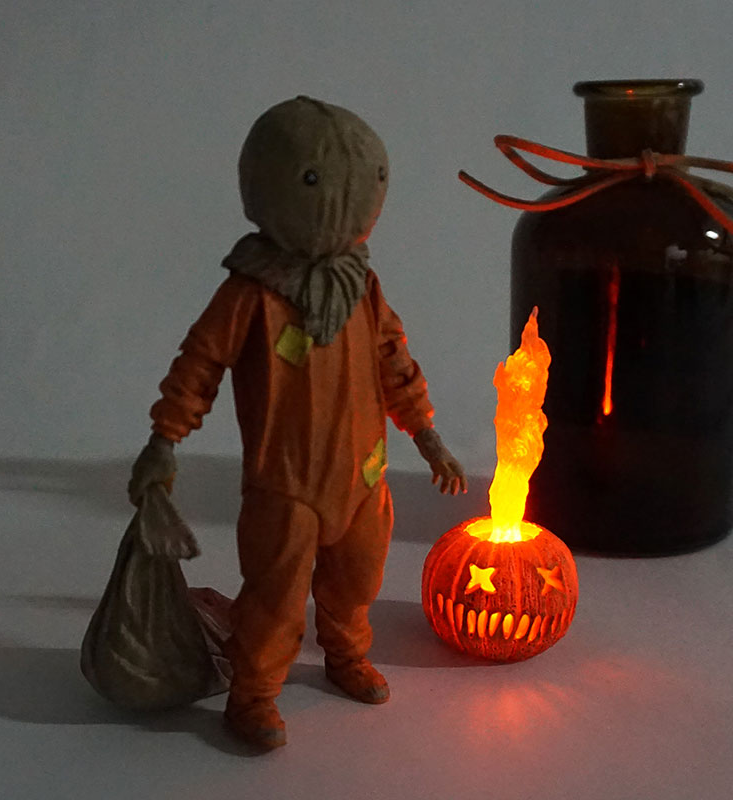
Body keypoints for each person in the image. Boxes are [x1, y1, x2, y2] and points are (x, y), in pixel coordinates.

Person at [128, 96, 467, 749]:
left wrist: (427, 436)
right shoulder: (251, 293)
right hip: (285, 486)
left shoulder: (361, 286)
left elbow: (394, 361)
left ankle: (344, 655)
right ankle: (254, 695)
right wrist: (164, 440)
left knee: (357, 580)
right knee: (276, 598)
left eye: (371, 179)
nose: (353, 198)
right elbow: (199, 365)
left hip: (364, 475)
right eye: (318, 182)